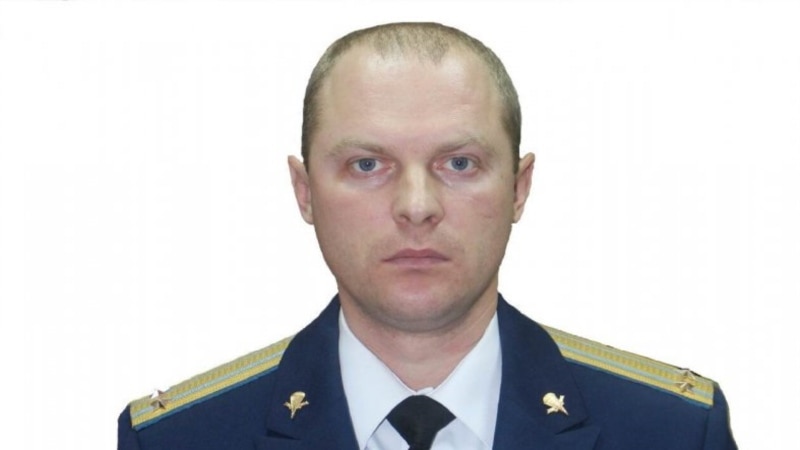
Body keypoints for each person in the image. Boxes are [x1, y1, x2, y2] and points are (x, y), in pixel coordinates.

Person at [117, 22, 736, 450]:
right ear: (304, 192)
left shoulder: (672, 432)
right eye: (367, 164)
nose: (416, 207)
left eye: (459, 163)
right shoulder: (179, 439)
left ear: (518, 188)